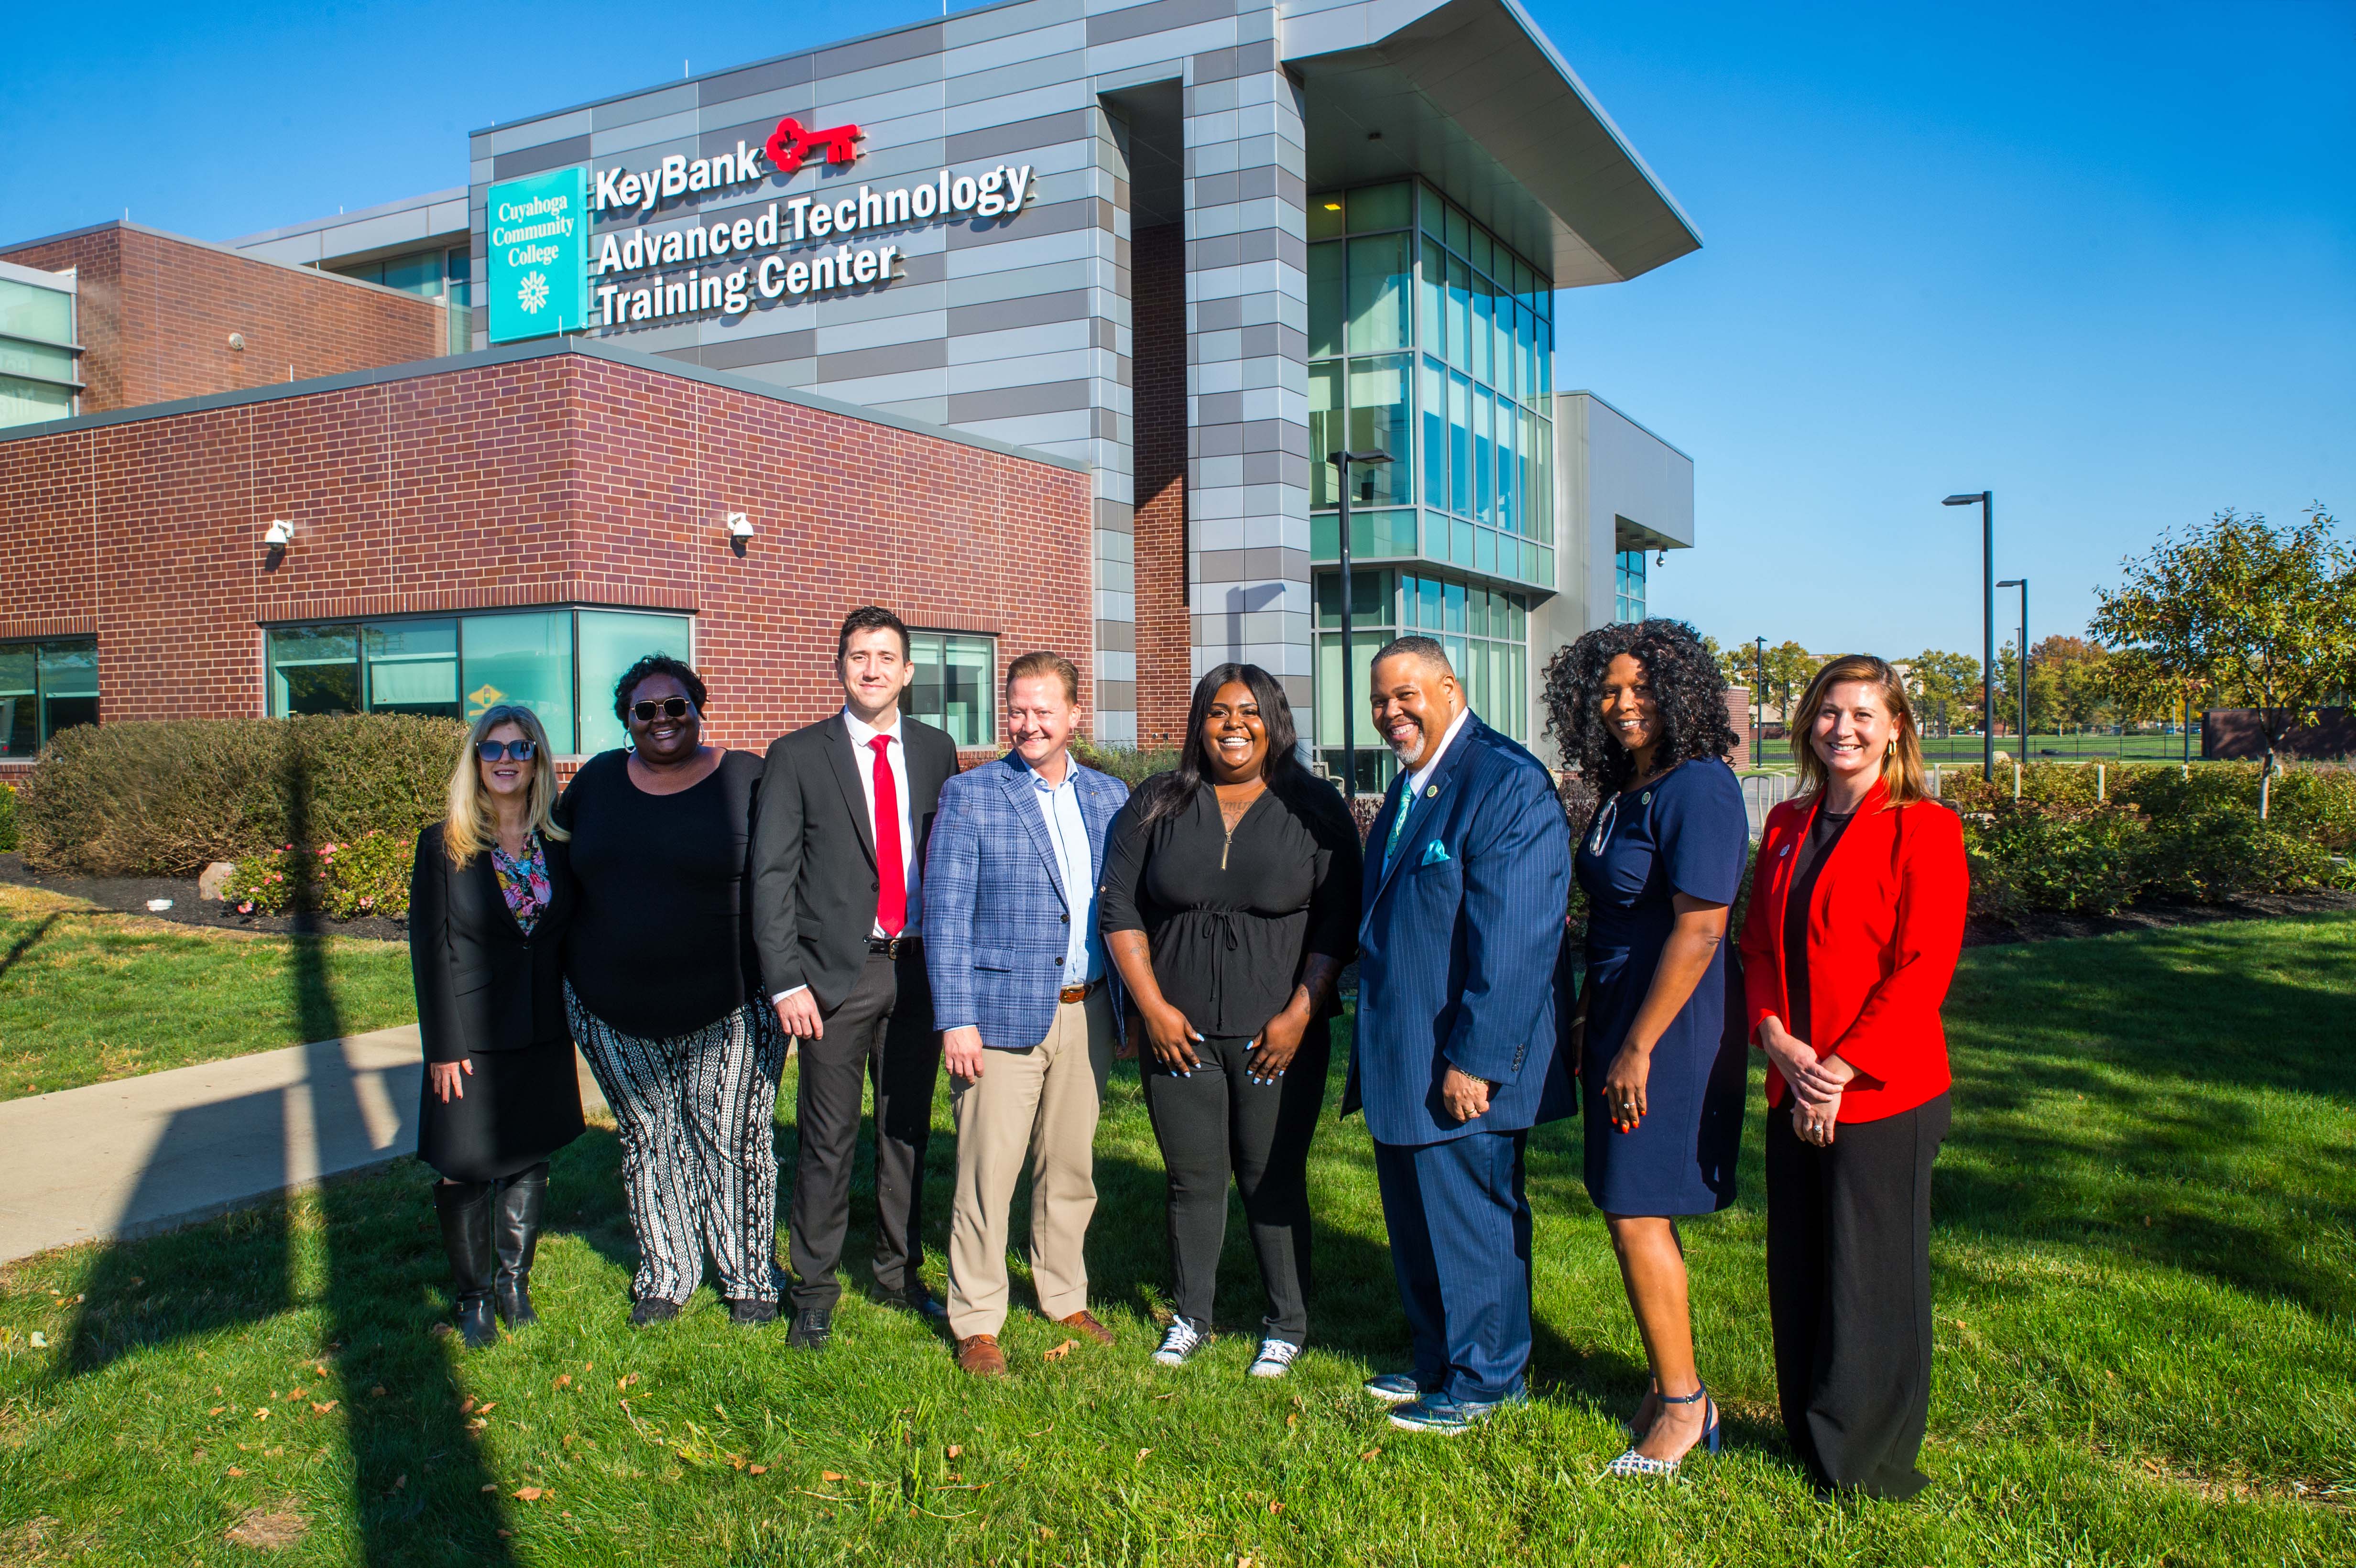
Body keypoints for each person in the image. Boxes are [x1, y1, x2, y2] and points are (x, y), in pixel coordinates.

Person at [1737, 653, 1967, 1499]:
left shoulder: (1925, 827)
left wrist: (1835, 1069)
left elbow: (1922, 969)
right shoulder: (1788, 824)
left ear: (1896, 728)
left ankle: (1871, 1462)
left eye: (1864, 715)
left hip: (1881, 1089)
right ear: (1808, 724)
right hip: (1792, 1073)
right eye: (1830, 712)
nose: (1844, 729)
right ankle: (1811, 1432)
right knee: (1801, 1266)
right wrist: (1775, 1039)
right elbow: (1757, 944)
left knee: (1871, 1276)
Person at [1100, 665, 1361, 1377]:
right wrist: (1152, 1009)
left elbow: (1340, 923)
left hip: (1276, 1035)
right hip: (1177, 1033)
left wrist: (1300, 1015)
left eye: (1249, 712)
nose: (1233, 726)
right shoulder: (1158, 800)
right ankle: (1193, 1316)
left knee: (1270, 1176)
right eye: (1218, 713)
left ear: (1274, 719)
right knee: (1192, 1177)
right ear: (1199, 723)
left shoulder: (1314, 806)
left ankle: (1286, 1323)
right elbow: (1118, 906)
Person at [1345, 635, 1573, 1435]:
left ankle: (1487, 1381)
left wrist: (1476, 1059)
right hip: (1402, 1050)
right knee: (1418, 1221)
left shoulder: (1505, 782)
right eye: (1379, 700)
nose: (1390, 712)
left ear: (1449, 686)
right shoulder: (1415, 784)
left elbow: (1516, 941)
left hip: (1459, 1056)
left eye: (1406, 694)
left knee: (1473, 1220)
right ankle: (1439, 1358)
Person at [1543, 620, 1748, 1476]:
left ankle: (1684, 1402)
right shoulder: (1631, 784)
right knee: (1625, 1203)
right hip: (1625, 1000)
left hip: (1674, 1013)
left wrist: (1640, 1047)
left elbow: (1700, 931)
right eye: (1611, 690)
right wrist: (1598, 1016)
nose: (1625, 705)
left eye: (1643, 690)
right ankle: (1668, 1381)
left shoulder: (1699, 787)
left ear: (1684, 694)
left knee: (1637, 1206)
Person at [753, 606, 960, 1350]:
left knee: (905, 1131)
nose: (871, 670)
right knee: (827, 1138)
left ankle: (898, 1271)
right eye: (857, 657)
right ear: (839, 668)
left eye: (885, 657)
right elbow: (771, 878)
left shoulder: (937, 751)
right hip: (833, 980)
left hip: (917, 973)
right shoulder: (798, 754)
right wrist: (786, 982)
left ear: (908, 672)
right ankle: (813, 1287)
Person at [923, 651, 1129, 1377]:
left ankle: (1062, 1293)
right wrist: (956, 1017)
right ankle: (977, 1318)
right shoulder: (972, 795)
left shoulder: (1109, 797)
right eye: (1017, 709)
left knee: (1070, 1167)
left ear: (1077, 715)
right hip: (998, 1015)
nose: (1029, 724)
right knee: (988, 1172)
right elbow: (944, 916)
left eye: (1045, 711)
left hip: (1089, 1011)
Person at [559, 655, 778, 1326]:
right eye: (645, 710)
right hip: (610, 1006)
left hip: (731, 1004)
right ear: (627, 720)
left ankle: (749, 1279)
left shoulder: (745, 776)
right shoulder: (596, 780)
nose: (661, 720)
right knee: (649, 1139)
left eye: (675, 706)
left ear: (698, 709)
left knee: (734, 1138)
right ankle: (668, 1273)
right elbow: (548, 858)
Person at [410, 704, 584, 1349]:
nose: (506, 761)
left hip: (540, 1027)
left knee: (526, 1155)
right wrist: (443, 1046)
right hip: (471, 1034)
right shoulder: (443, 845)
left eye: (520, 749)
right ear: (475, 761)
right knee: (464, 1163)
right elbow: (430, 951)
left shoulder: (558, 844)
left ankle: (515, 1285)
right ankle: (474, 1297)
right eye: (493, 749)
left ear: (537, 760)